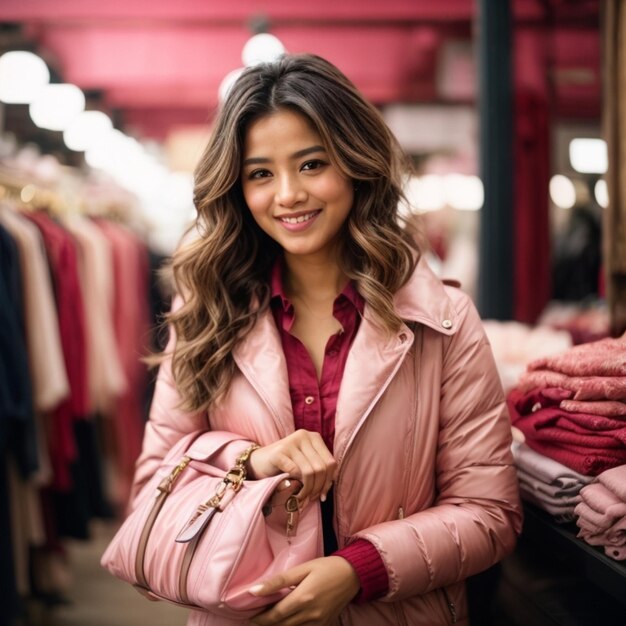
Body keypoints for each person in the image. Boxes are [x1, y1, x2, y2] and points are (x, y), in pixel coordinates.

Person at [130, 53, 522, 626]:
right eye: (261, 173)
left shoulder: (443, 321)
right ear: (237, 188)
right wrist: (251, 461)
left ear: (355, 163)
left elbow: (489, 512)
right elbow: (154, 489)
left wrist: (358, 571)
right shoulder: (206, 314)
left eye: (312, 164)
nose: (287, 194)